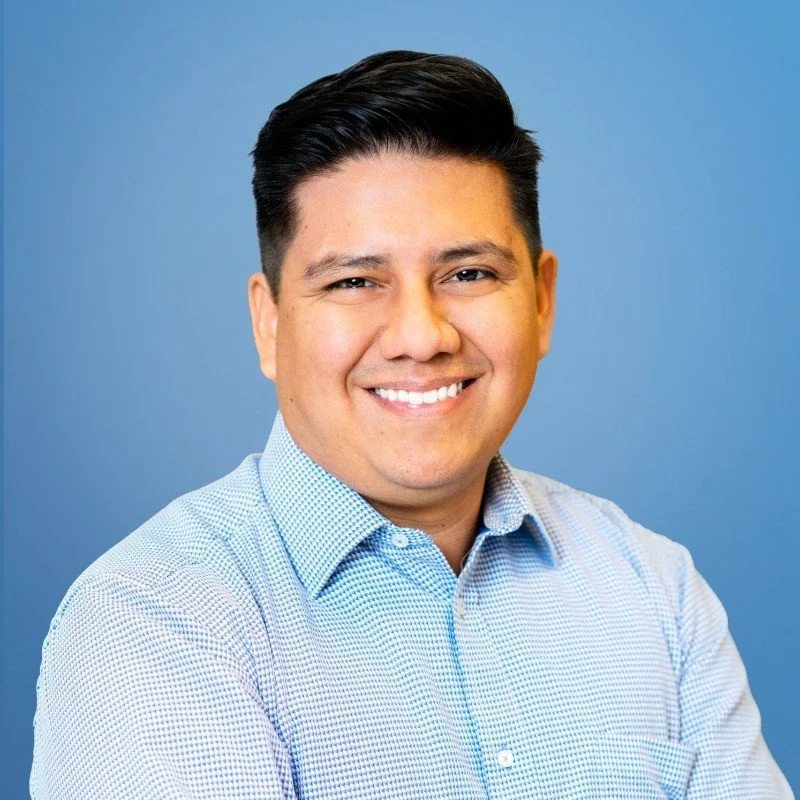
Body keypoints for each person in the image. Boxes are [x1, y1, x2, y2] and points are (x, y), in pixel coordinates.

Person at [30, 50, 793, 800]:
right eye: (355, 281)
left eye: (468, 274)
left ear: (541, 301)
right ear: (269, 321)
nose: (422, 336)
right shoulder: (158, 618)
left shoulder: (653, 587)